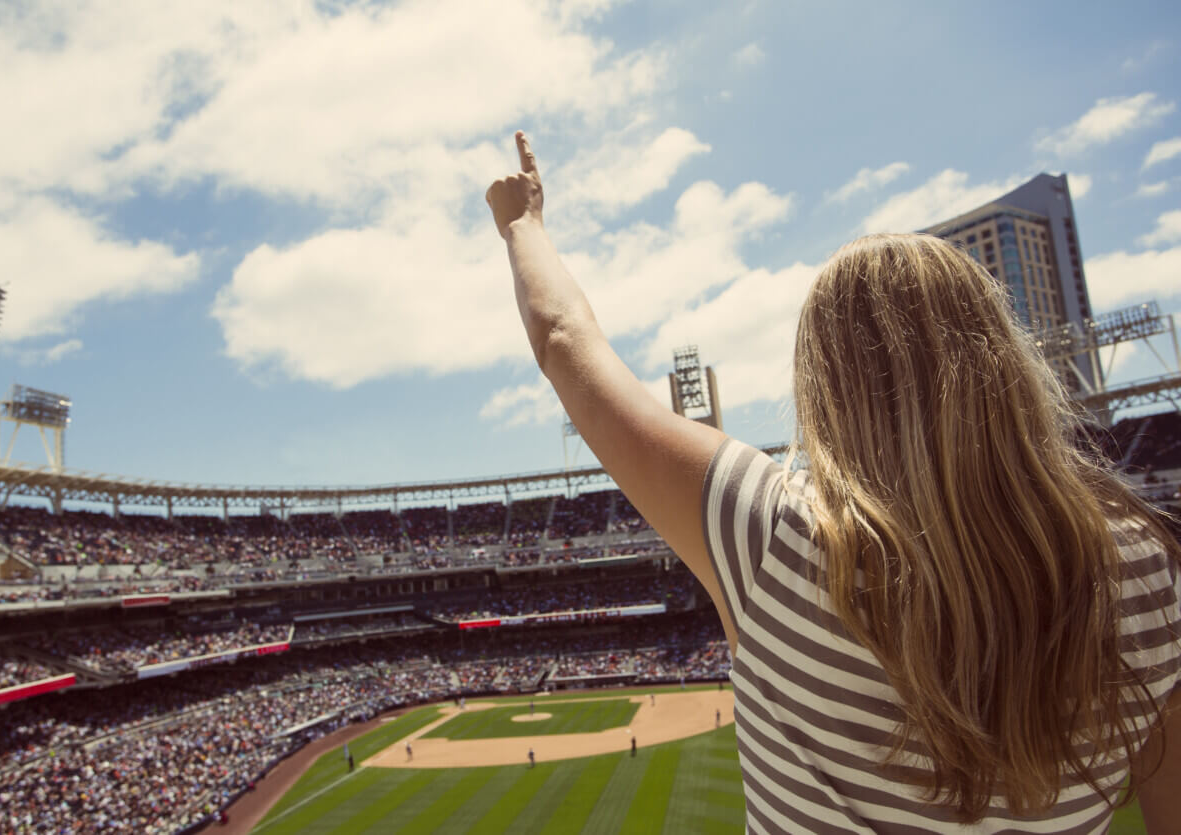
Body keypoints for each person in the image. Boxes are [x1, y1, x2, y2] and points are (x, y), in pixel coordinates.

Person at [487, 133, 1181, 832]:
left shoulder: (771, 536)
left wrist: (524, 226)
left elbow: (562, 337)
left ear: (825, 388)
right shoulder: (1147, 572)